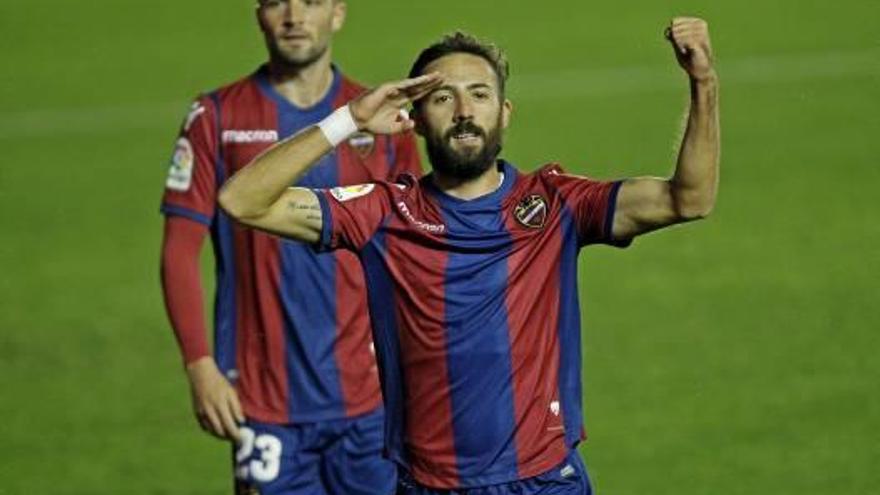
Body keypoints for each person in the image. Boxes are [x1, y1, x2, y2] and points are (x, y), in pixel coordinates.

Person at [217, 17, 719, 494]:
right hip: (430, 484)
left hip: (543, 481)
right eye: (442, 97)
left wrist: (703, 83)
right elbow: (242, 200)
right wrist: (349, 119)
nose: (463, 111)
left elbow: (689, 198)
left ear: (504, 113)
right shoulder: (382, 212)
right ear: (414, 120)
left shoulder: (555, 203)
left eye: (479, 94)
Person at [159, 0, 420, 493]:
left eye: (312, 2)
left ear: (338, 14)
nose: (294, 17)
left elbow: (412, 250)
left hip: (372, 401)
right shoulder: (216, 115)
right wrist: (200, 365)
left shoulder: (382, 119)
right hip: (261, 402)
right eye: (278, 2)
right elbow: (179, 250)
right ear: (258, 14)